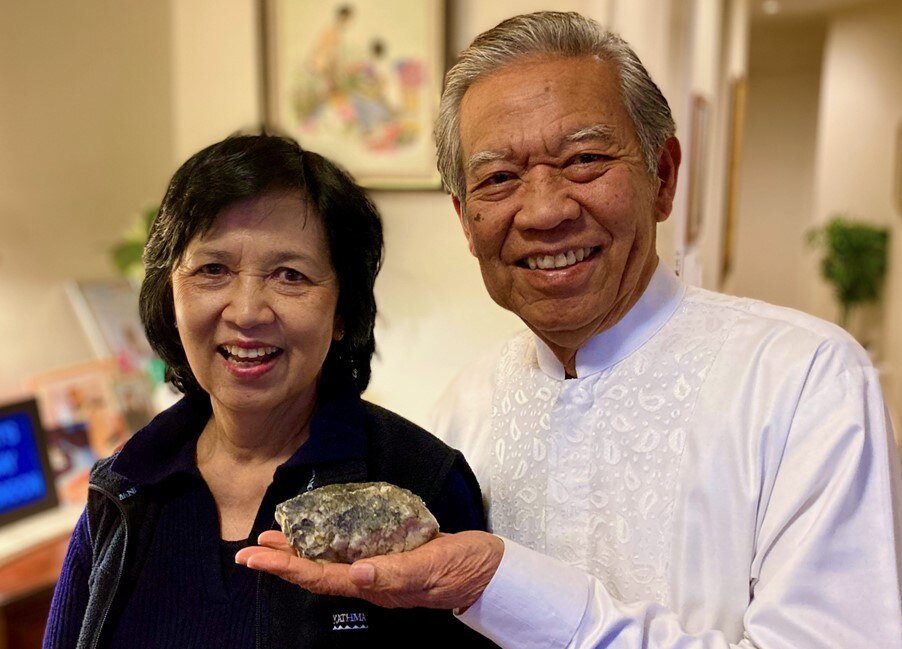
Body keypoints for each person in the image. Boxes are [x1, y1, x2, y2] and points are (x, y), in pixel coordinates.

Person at [236, 11, 902, 648]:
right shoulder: (465, 406)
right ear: (466, 221)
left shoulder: (804, 381)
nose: (546, 210)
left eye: (585, 160)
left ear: (663, 177)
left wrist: (498, 583)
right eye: (499, 177)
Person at [42, 133, 498, 648]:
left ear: (343, 311)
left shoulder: (422, 484)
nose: (247, 312)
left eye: (290, 275)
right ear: (170, 291)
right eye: (213, 270)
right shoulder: (126, 486)